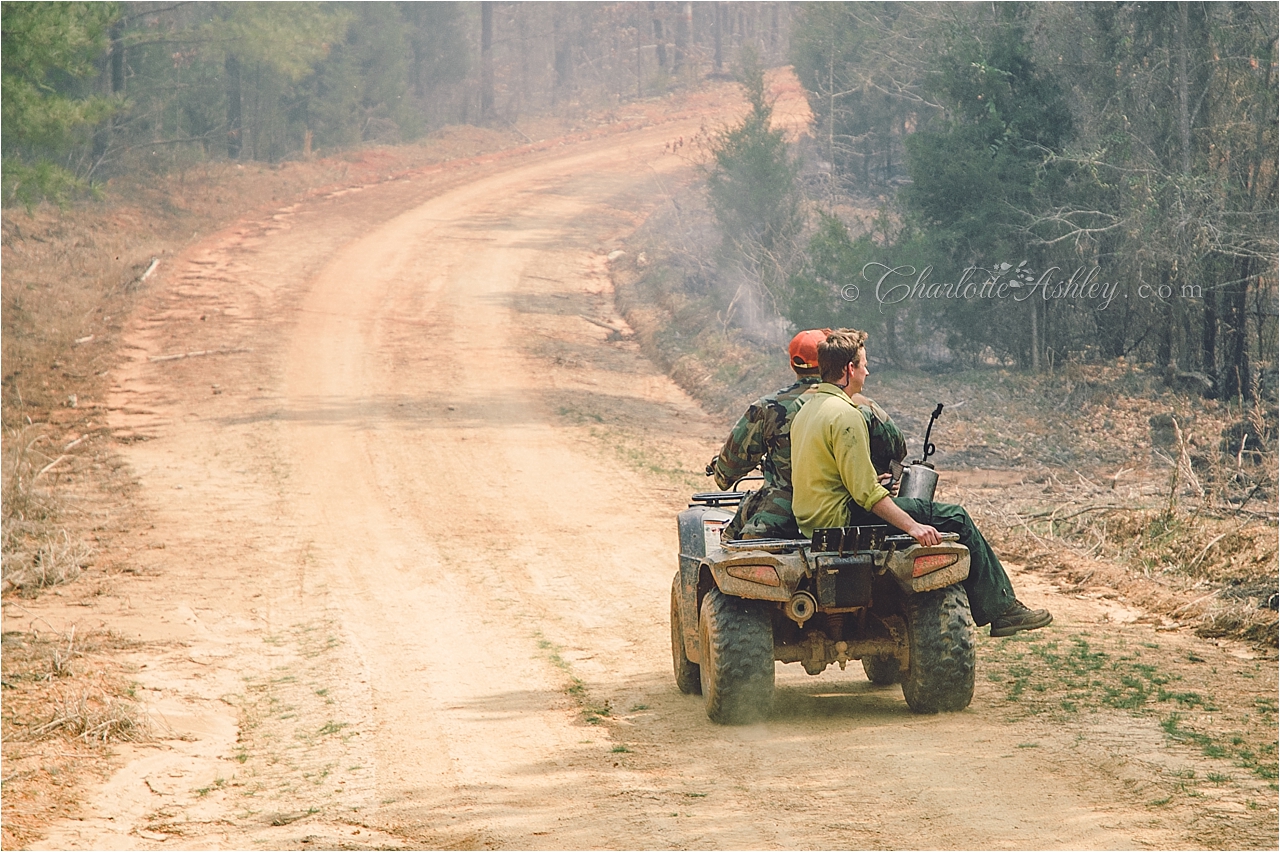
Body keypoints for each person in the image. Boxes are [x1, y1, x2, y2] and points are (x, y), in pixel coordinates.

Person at [790, 328, 1052, 637]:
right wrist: (912, 527)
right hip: (842, 520)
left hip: (812, 518)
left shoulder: (807, 411)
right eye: (864, 364)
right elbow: (867, 496)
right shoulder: (847, 415)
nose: (867, 371)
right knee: (956, 517)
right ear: (849, 369)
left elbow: (830, 475)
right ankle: (1003, 610)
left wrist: (872, 481)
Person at [708, 330, 908, 540]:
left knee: (729, 550)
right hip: (846, 516)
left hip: (779, 516)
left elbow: (726, 473)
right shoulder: (860, 405)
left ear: (793, 364)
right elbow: (897, 451)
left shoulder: (767, 408)